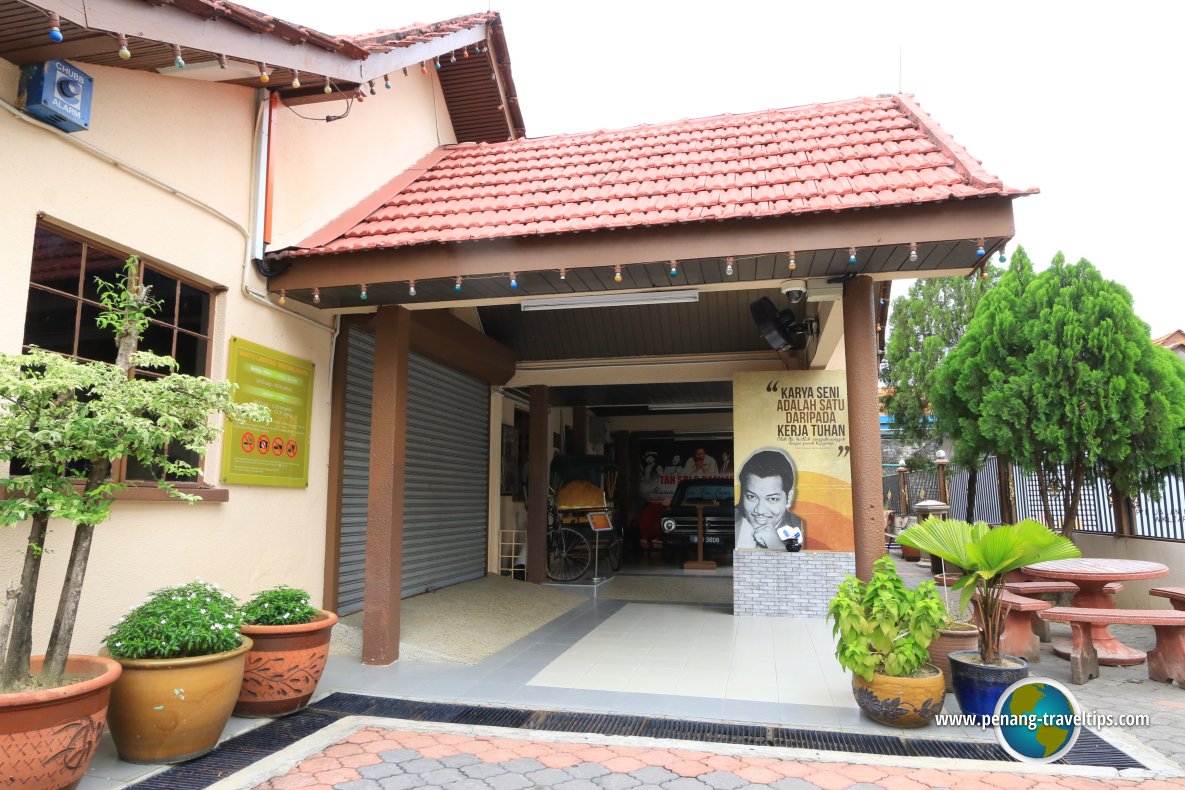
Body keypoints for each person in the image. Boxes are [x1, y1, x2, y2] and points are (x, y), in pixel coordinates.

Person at [735, 448, 805, 551]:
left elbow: (800, 564)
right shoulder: (730, 518)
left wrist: (778, 546)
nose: (760, 511)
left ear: (789, 497)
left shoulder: (800, 526)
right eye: (752, 497)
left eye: (772, 499)